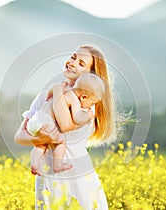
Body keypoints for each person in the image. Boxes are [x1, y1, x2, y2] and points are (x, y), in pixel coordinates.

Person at [14, 45, 116, 209]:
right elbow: (19, 136)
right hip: (50, 177)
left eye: (81, 63)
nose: (73, 63)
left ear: (91, 75)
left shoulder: (88, 104)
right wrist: (40, 139)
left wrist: (56, 91)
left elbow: (66, 124)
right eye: (74, 57)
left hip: (79, 176)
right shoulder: (43, 97)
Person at [27, 73, 105, 175]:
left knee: (40, 146)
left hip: (35, 120)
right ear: (83, 97)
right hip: (46, 121)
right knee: (61, 141)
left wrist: (49, 97)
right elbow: (77, 118)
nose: (90, 106)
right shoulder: (74, 100)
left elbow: (51, 90)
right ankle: (57, 165)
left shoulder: (64, 91)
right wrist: (88, 116)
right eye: (92, 103)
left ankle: (34, 164)